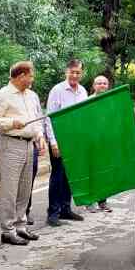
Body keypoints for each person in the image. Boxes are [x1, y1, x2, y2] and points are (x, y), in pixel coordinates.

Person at [0, 61, 44, 246]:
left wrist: (39, 136)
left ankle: (21, 225)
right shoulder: (3, 95)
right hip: (11, 144)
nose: (32, 79)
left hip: (29, 145)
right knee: (10, 189)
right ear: (21, 76)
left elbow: (37, 117)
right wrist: (11, 122)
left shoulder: (32, 96)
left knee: (25, 188)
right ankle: (7, 229)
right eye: (31, 76)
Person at [45, 59, 87, 226]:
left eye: (78, 72)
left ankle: (65, 209)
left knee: (71, 176)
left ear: (81, 74)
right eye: (72, 72)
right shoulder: (58, 90)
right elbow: (49, 117)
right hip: (59, 140)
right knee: (58, 176)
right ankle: (53, 212)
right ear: (66, 72)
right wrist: (53, 142)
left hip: (75, 141)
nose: (75, 75)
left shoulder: (82, 91)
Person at [84, 75, 113, 213]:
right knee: (91, 172)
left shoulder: (111, 102)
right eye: (99, 83)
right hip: (91, 143)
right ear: (94, 86)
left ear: (108, 86)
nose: (102, 85)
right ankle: (90, 202)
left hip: (106, 143)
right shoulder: (87, 101)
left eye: (104, 83)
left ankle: (103, 202)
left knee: (104, 172)